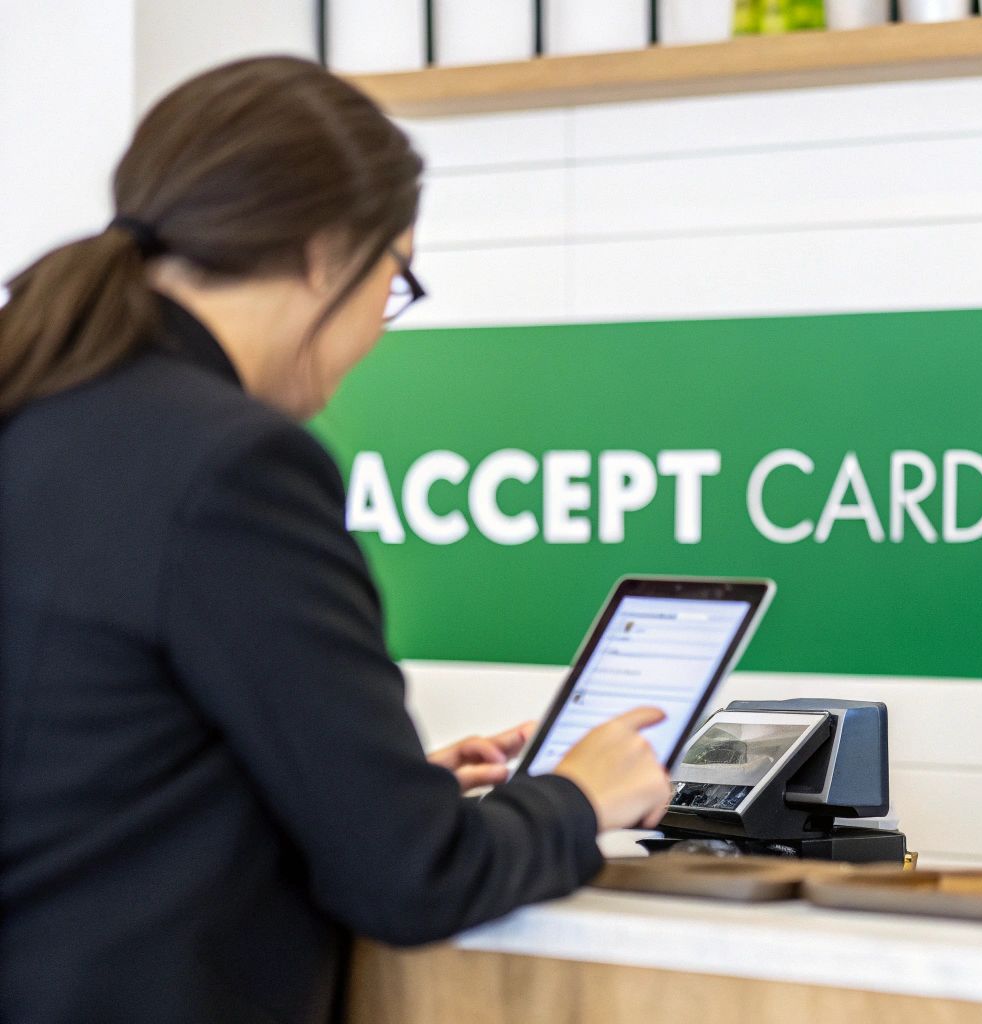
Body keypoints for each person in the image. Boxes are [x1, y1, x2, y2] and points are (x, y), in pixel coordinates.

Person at [0, 57, 672, 1024]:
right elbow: (413, 880)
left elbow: (85, 772)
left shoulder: (39, 406)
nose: (380, 328)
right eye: (396, 277)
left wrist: (363, 786)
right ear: (325, 254)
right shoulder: (234, 465)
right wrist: (575, 798)